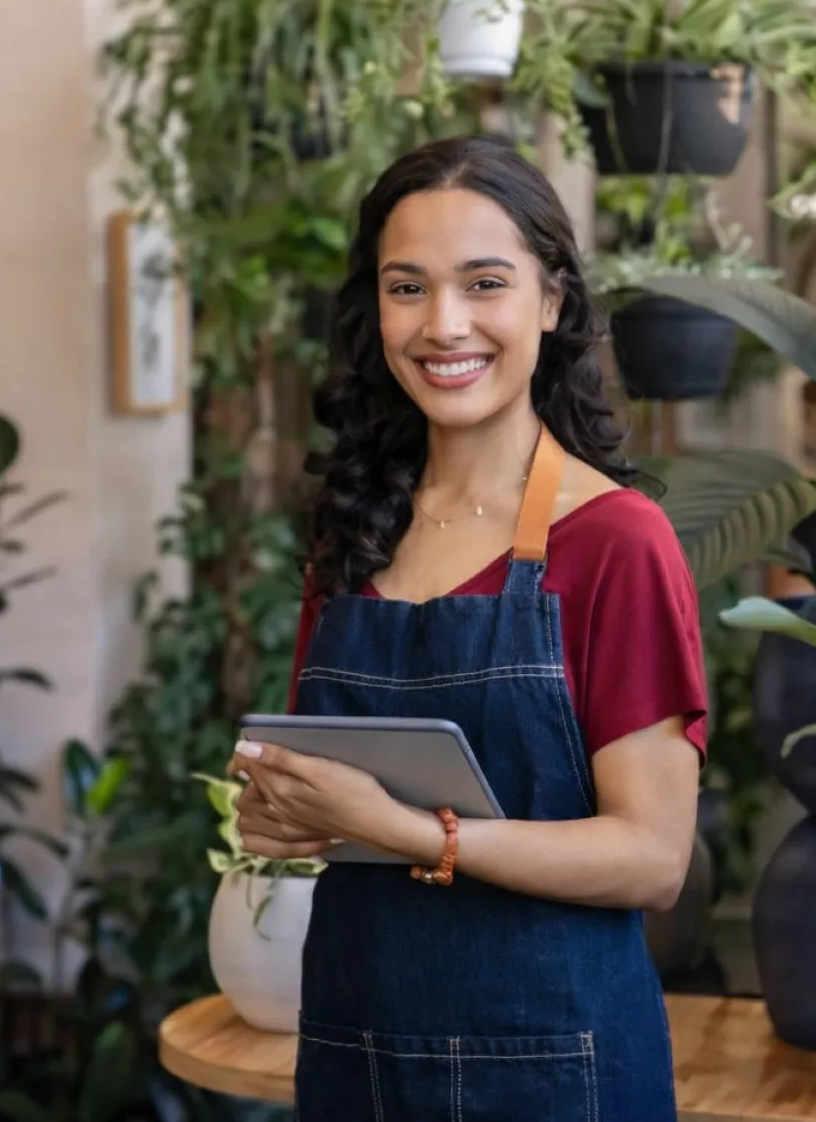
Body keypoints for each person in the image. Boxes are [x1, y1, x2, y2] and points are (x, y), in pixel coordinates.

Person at [230, 135, 708, 1121]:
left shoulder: (616, 540)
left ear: (551, 300)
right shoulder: (356, 530)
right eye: (407, 288)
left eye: (483, 282)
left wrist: (407, 830)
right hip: (357, 1051)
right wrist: (283, 813)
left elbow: (652, 857)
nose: (443, 324)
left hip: (560, 1072)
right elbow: (327, 797)